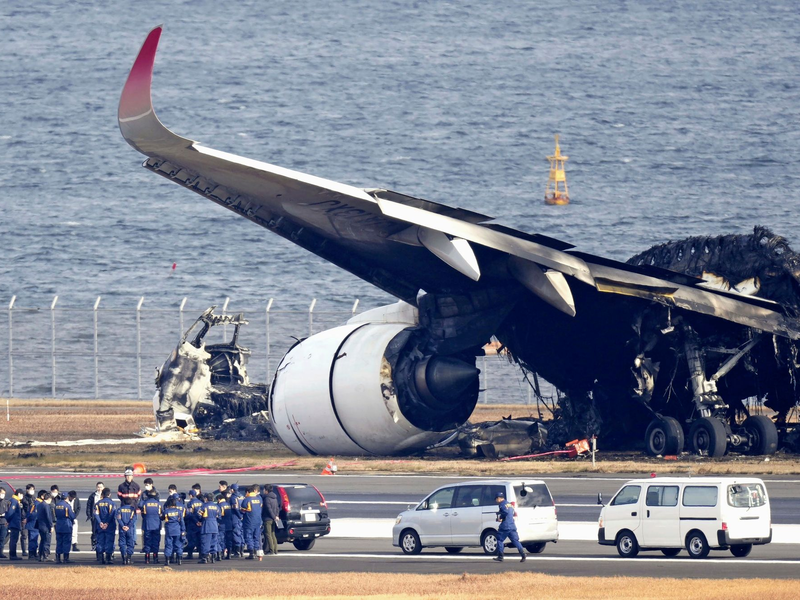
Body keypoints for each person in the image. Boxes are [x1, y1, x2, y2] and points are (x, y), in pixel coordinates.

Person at [493, 491, 526, 563]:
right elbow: (511, 513)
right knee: (515, 540)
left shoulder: (502, 505)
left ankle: (500, 556)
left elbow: (505, 512)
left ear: (499, 498)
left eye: (496, 499)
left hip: (505, 526)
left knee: (499, 540)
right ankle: (523, 554)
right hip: (512, 525)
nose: (496, 501)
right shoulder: (509, 504)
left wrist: (501, 517)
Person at [139, 481, 162, 564]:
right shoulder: (159, 504)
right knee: (156, 541)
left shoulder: (145, 504)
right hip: (156, 525)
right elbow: (162, 514)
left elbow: (141, 509)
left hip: (147, 525)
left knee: (147, 541)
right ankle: (155, 558)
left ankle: (147, 558)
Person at [94, 488, 117, 564]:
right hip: (110, 526)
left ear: (102, 495)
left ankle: (100, 558)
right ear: (109, 494)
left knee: (100, 541)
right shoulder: (112, 504)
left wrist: (100, 522)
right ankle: (108, 558)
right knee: (109, 541)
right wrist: (107, 523)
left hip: (100, 526)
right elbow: (112, 514)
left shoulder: (97, 504)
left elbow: (96, 514)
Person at [240, 484, 263, 561]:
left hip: (249, 521)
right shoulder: (259, 499)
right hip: (258, 521)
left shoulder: (247, 500)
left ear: (247, 492)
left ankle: (251, 553)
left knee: (248, 536)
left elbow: (242, 511)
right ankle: (256, 552)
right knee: (256, 537)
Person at [161, 496, 185, 565]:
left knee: (168, 545)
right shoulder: (179, 511)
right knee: (178, 545)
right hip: (177, 529)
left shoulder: (166, 511)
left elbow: (161, 518)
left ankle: (167, 560)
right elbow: (182, 522)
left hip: (169, 530)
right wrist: (183, 530)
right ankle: (179, 560)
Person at [197, 493, 219, 564]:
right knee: (214, 542)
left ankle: (205, 558)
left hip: (207, 525)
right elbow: (219, 516)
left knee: (206, 542)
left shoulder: (204, 506)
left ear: (206, 498)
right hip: (215, 525)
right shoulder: (216, 506)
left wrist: (200, 521)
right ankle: (213, 557)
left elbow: (199, 515)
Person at [54, 494, 75, 563]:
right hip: (66, 525)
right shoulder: (67, 506)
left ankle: (58, 558)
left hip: (59, 524)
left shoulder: (57, 505)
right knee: (66, 541)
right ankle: (66, 558)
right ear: (67, 498)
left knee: (59, 541)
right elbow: (72, 516)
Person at [116, 500, 137, 565]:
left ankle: (124, 558)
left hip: (122, 529)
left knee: (122, 543)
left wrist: (123, 526)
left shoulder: (119, 509)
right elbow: (134, 519)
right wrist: (128, 526)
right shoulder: (132, 510)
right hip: (130, 529)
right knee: (130, 543)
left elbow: (118, 519)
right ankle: (128, 558)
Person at [86, 481, 105, 552]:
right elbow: (88, 505)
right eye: (98, 487)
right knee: (94, 531)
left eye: (101, 487)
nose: (99, 489)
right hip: (94, 517)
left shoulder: (106, 495)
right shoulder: (92, 496)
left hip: (103, 517)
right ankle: (94, 545)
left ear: (103, 487)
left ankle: (102, 545)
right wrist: (89, 515)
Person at [184, 488, 203, 559]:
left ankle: (190, 554)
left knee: (191, 539)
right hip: (200, 523)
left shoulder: (190, 503)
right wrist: (200, 521)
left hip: (192, 524)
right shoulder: (201, 502)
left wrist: (196, 522)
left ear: (191, 495)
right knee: (199, 539)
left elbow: (190, 514)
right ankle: (200, 554)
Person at [6, 489, 23, 560]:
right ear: (19, 494)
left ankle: (13, 554)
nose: (22, 496)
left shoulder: (14, 501)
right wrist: (8, 520)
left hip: (15, 523)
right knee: (13, 540)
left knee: (14, 539)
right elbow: (10, 512)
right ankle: (13, 555)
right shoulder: (14, 501)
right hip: (14, 523)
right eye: (22, 495)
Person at [36, 492, 54, 562]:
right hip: (46, 526)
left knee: (42, 541)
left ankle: (40, 556)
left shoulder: (40, 505)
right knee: (47, 541)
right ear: (49, 498)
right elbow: (48, 517)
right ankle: (45, 556)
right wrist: (51, 526)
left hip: (40, 525)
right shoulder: (46, 506)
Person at [262, 484, 280, 556]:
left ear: (266, 490)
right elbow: (277, 508)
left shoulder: (267, 498)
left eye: (264, 489)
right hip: (274, 518)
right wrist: (276, 516)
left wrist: (273, 516)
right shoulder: (275, 498)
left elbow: (268, 509)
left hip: (268, 519)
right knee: (273, 534)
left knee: (268, 534)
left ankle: (271, 550)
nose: (263, 491)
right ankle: (275, 550)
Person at [24, 490, 42, 561]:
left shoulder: (37, 503)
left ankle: (34, 553)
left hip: (35, 524)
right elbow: (31, 514)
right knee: (32, 540)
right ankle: (31, 554)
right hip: (33, 524)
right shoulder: (36, 504)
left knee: (35, 539)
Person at [21, 484, 37, 559]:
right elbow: (22, 510)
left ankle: (33, 551)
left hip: (31, 519)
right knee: (24, 535)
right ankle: (24, 550)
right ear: (27, 490)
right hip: (24, 518)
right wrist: (24, 518)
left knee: (32, 536)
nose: (32, 491)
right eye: (30, 489)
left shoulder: (34, 498)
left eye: (33, 489)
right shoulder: (23, 499)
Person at [228, 485, 244, 558]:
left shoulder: (233, 497)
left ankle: (237, 552)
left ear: (232, 490)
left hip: (235, 517)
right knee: (241, 533)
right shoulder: (242, 496)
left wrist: (239, 516)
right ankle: (241, 550)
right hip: (242, 516)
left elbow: (235, 508)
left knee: (236, 533)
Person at [216, 493, 233, 560]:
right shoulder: (228, 505)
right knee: (229, 540)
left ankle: (221, 554)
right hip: (229, 524)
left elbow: (219, 516)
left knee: (221, 539)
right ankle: (229, 554)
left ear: (219, 499)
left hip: (222, 524)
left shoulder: (219, 505)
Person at [0, 486, 10, 559]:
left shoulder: (6, 502)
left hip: (3, 522)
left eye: (4, 493)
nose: (3, 495)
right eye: (1, 493)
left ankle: (1, 552)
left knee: (2, 538)